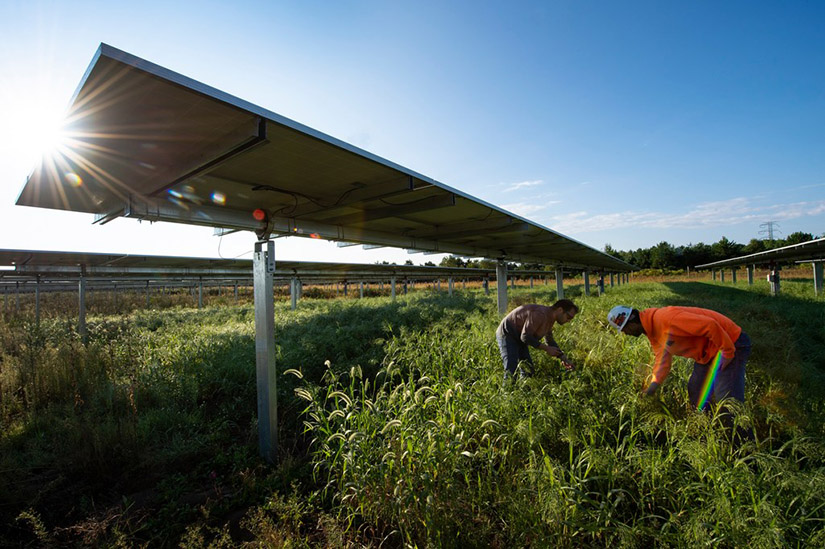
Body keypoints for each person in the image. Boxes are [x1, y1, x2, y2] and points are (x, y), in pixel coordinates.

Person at [606, 305, 751, 411]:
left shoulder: (666, 319)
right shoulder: (651, 331)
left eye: (624, 330)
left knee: (727, 400)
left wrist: (727, 351)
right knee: (696, 391)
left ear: (631, 322)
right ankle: (707, 427)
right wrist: (652, 387)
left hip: (731, 343)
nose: (625, 333)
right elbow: (662, 361)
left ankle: (743, 445)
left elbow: (710, 325)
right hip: (708, 354)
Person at [496, 299, 578, 380]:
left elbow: (549, 340)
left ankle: (524, 391)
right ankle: (507, 391)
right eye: (569, 317)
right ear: (560, 310)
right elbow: (525, 337)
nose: (569, 321)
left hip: (519, 338)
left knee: (528, 370)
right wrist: (546, 349)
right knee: (511, 371)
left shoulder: (550, 319)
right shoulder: (540, 314)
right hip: (507, 333)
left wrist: (563, 358)